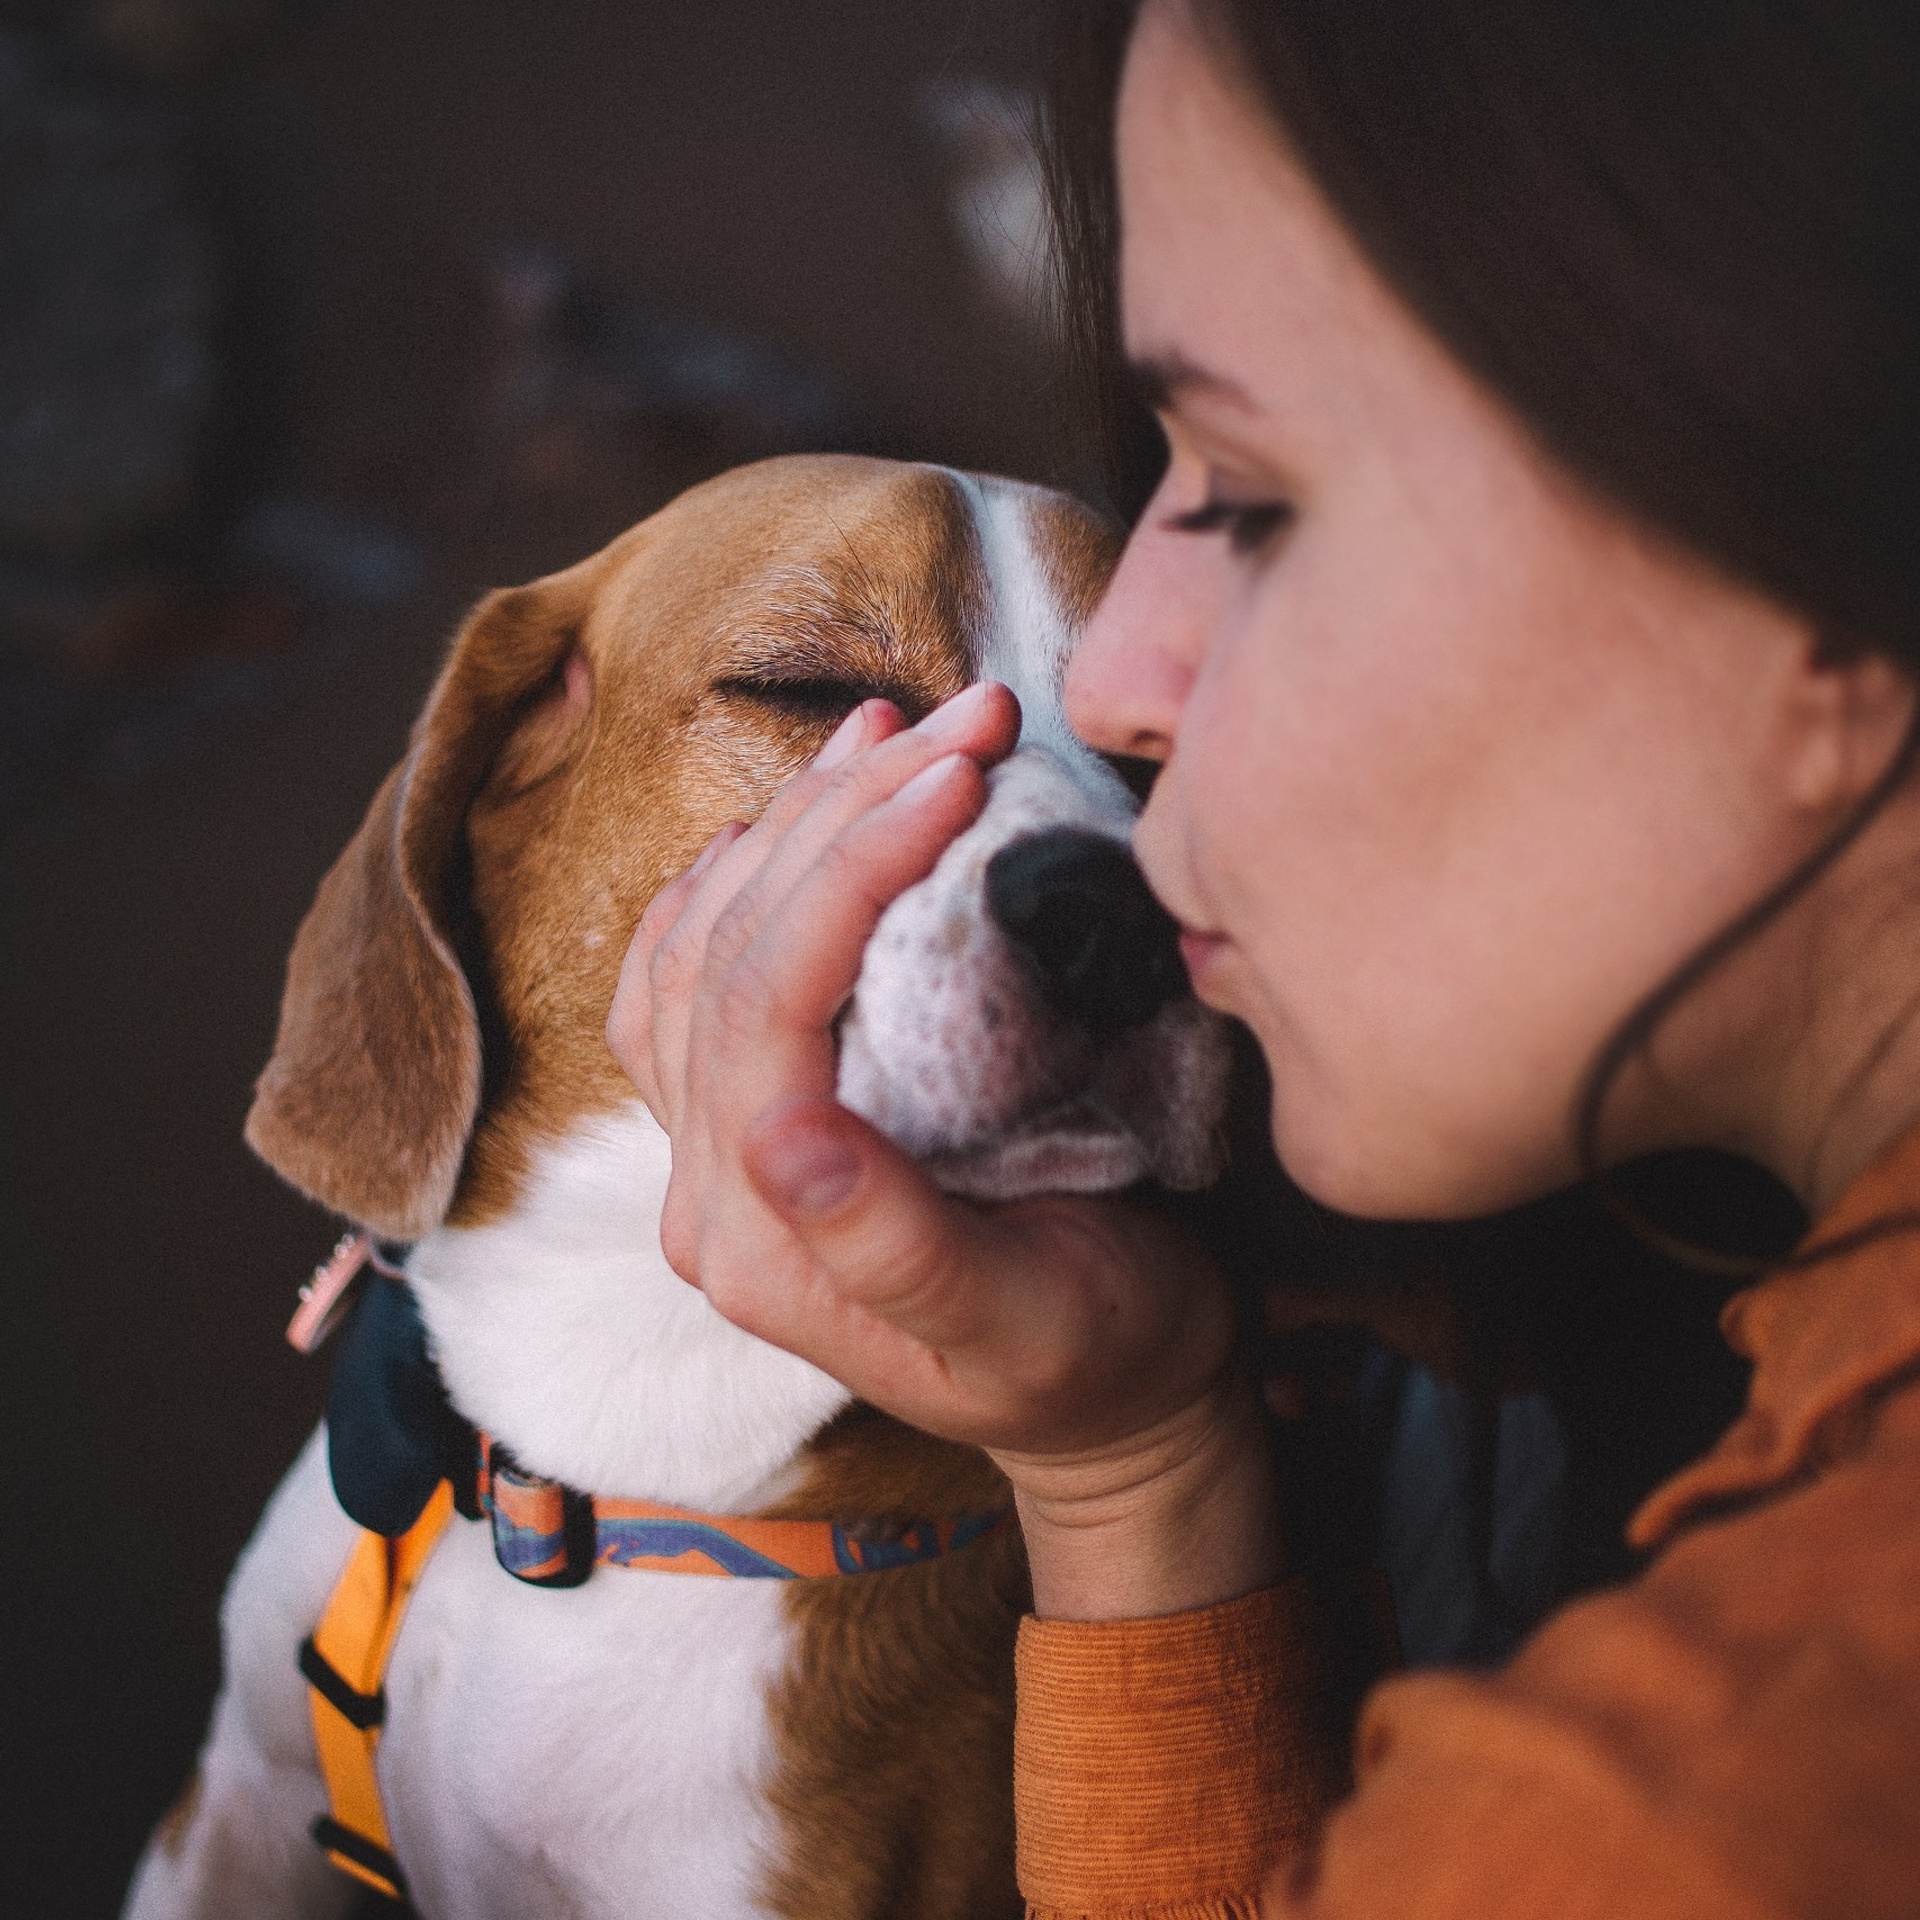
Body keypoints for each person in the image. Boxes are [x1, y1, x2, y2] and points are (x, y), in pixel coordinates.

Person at [606, 0, 1920, 1911]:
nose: (1116, 689)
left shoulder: (1690, 1819)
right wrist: (1133, 1470)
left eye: (1256, 494)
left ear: (1831, 580)